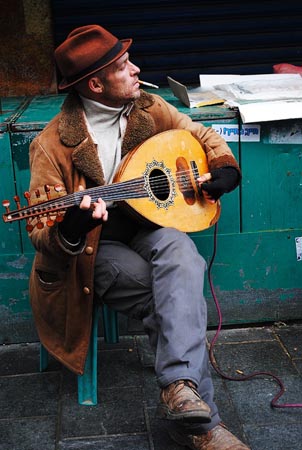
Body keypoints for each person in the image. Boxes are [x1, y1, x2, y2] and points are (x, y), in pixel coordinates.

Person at [28, 24, 250, 450]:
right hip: (95, 252)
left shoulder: (147, 107)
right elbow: (41, 227)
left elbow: (201, 135)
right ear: (95, 83)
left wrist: (223, 168)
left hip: (147, 228)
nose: (137, 70)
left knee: (183, 253)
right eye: (123, 66)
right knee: (173, 298)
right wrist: (70, 226)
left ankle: (180, 394)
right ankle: (202, 423)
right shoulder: (52, 144)